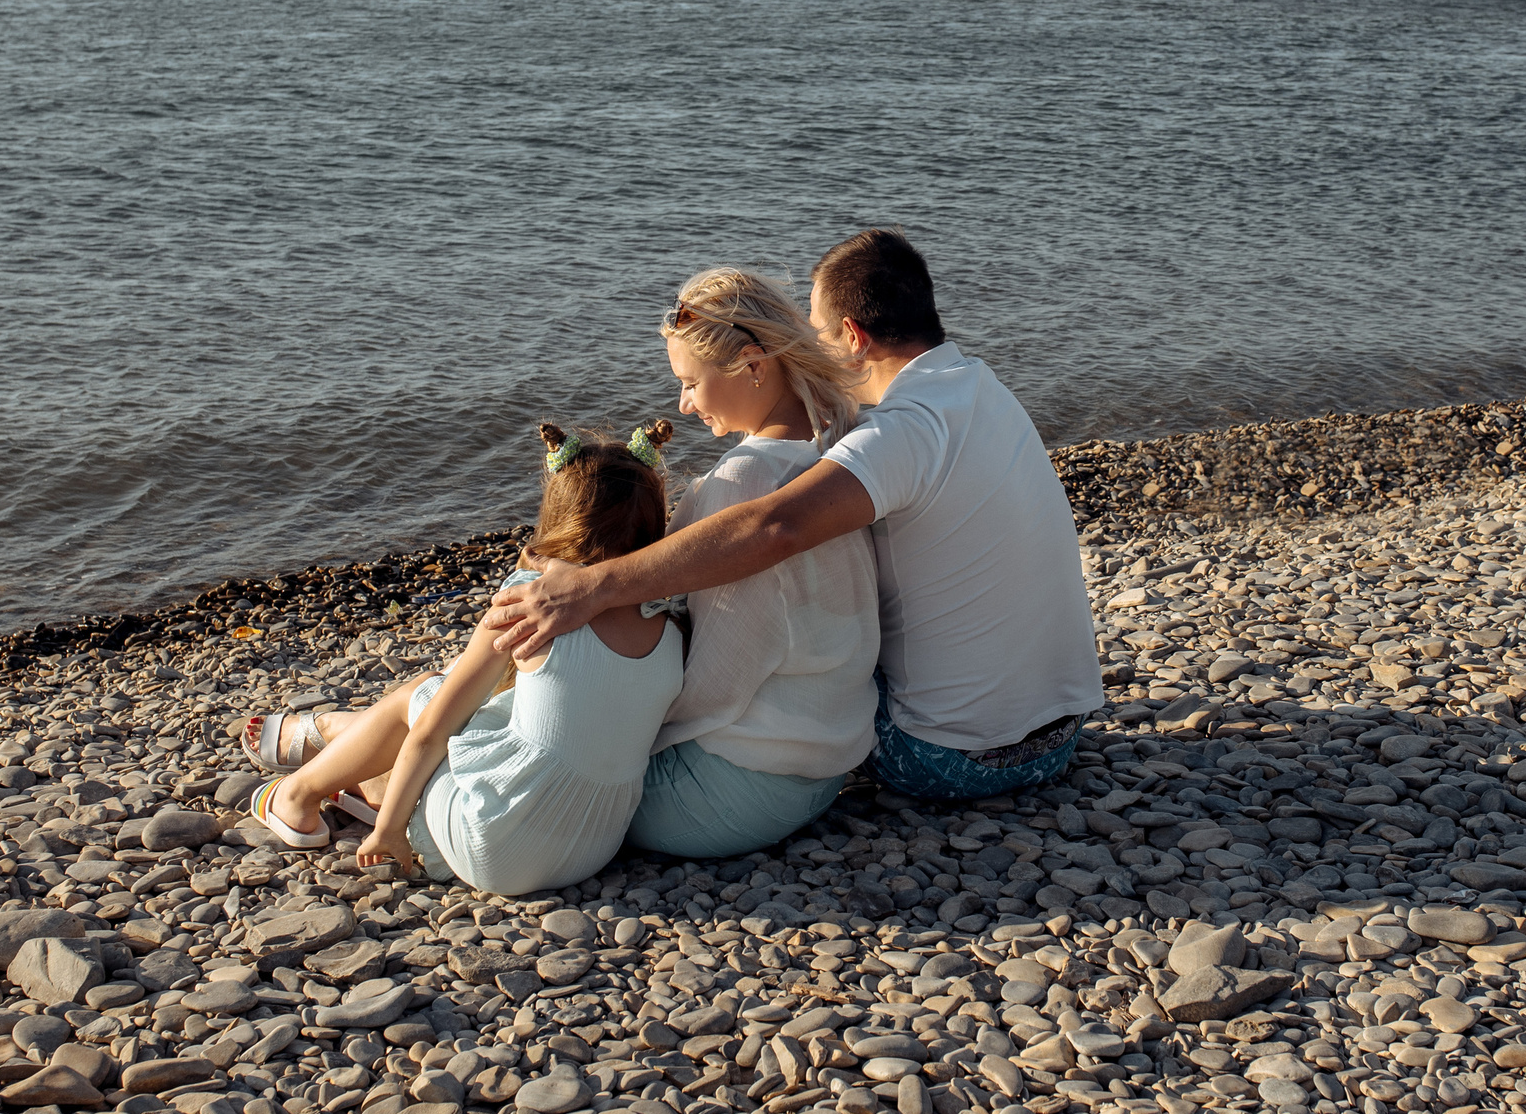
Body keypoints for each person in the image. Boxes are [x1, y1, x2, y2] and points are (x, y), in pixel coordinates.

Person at [486, 230, 1103, 803]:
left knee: (796, 668)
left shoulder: (905, 430)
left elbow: (773, 527)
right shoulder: (978, 385)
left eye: (819, 332)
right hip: (1059, 731)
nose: (810, 346)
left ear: (855, 337)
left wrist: (594, 587)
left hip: (951, 756)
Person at [235, 422, 683, 896]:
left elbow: (429, 733)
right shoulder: (670, 621)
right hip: (591, 850)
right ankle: (350, 761)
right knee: (493, 711)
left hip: (492, 849)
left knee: (423, 694)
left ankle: (297, 797)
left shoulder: (531, 601)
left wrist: (387, 833)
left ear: (558, 515)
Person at [630, 268, 880, 856]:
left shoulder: (742, 483)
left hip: (729, 792)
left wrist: (622, 733)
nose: (684, 405)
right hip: (819, 772)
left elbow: (718, 679)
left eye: (690, 382)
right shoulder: (835, 452)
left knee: (504, 767)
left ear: (752, 364)